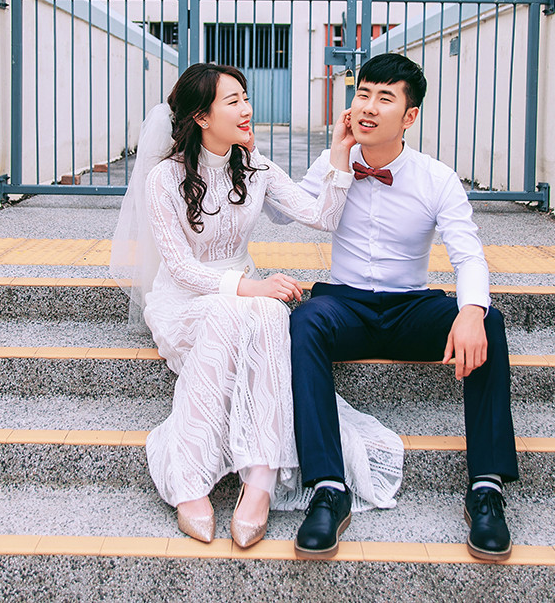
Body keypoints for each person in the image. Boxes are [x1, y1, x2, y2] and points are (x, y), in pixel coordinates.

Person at [110, 63, 402, 548]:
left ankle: (261, 478)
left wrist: (340, 153)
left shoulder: (256, 167)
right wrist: (249, 287)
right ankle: (189, 477)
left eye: (245, 97)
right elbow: (180, 269)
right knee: (242, 308)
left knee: (269, 312)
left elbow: (322, 216)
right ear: (202, 116)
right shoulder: (164, 178)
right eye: (233, 101)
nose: (247, 108)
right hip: (185, 301)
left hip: (244, 295)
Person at [284, 52, 519, 560]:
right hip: (345, 305)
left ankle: (486, 488)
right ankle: (327, 487)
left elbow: (468, 254)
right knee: (304, 321)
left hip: (410, 307)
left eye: (384, 98)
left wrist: (471, 312)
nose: (368, 107)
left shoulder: (436, 178)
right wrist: (334, 158)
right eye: (362, 94)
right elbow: (286, 215)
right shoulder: (332, 162)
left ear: (409, 115)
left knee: (490, 320)